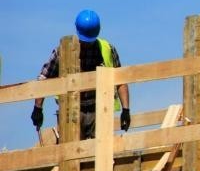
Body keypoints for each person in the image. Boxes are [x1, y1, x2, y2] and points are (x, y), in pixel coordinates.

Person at [31, 9, 131, 139]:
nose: (87, 44)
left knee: (102, 154)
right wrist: (38, 108)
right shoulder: (63, 52)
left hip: (100, 109)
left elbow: (120, 81)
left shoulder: (107, 49)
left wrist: (126, 110)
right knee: (73, 152)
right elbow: (44, 79)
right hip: (71, 111)